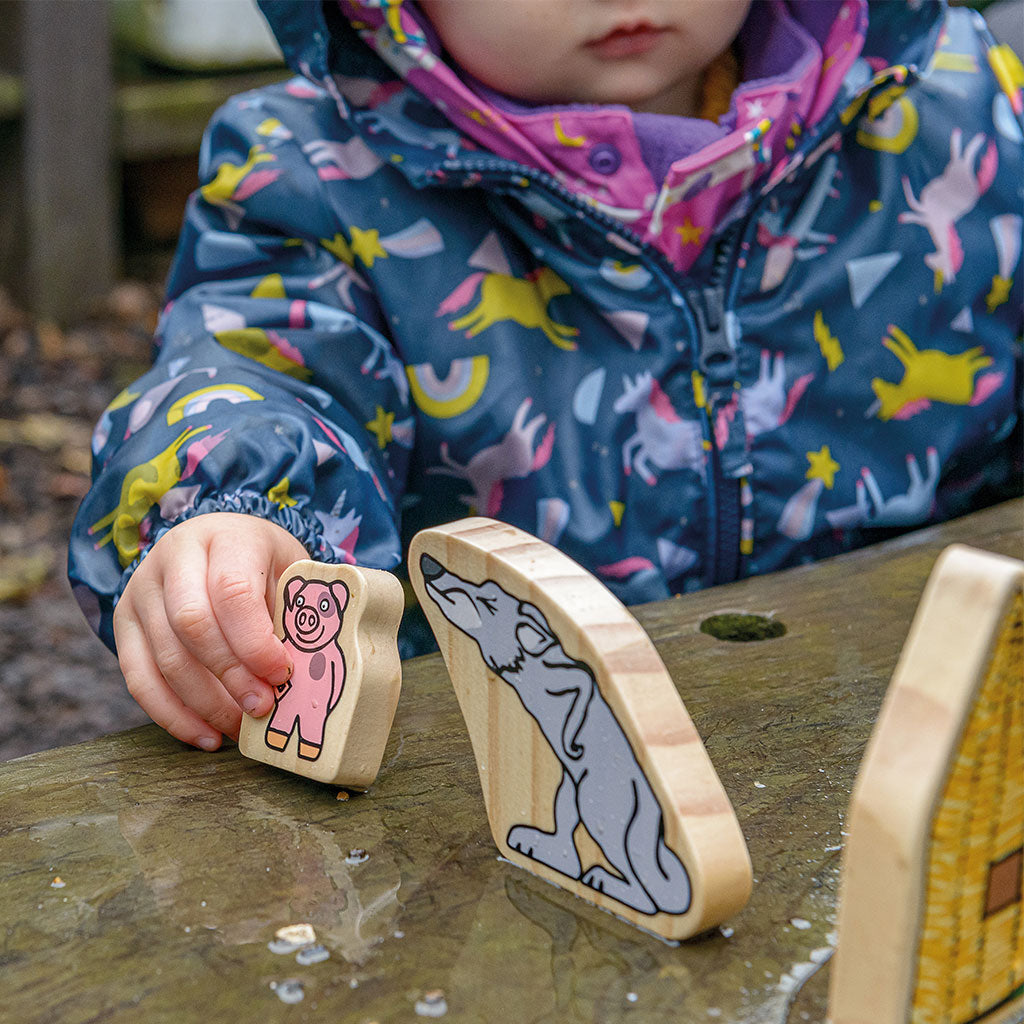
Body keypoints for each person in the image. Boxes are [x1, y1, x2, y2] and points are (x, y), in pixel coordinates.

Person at [69, 0, 1023, 752]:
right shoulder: (318, 173)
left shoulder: (959, 122)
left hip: (913, 723)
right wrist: (236, 510)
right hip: (504, 772)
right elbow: (258, 361)